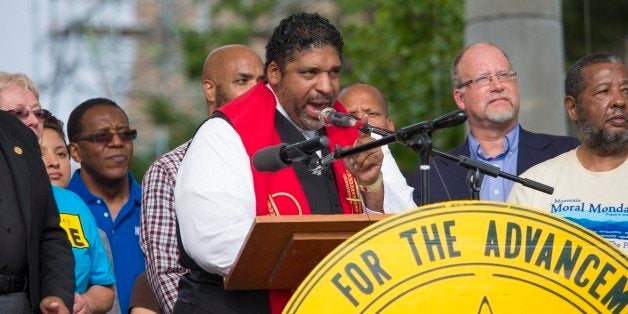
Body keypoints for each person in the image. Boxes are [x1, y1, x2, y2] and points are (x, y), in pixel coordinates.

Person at [174, 13, 408, 314]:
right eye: (310, 73)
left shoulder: (354, 133)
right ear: (274, 73)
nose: (326, 86)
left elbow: (404, 229)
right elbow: (212, 242)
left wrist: (372, 190)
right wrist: (333, 258)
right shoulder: (224, 133)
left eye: (334, 73)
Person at [140, 44, 264, 313]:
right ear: (209, 89)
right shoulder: (168, 168)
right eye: (242, 81)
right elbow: (167, 270)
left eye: (262, 82)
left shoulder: (278, 155)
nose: (256, 91)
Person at [412, 42, 580, 204]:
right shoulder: (433, 174)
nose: (498, 86)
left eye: (504, 75)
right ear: (460, 98)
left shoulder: (567, 153)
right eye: (483, 79)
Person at [508, 53, 627, 253]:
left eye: (626, 91)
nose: (619, 101)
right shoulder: (533, 186)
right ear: (572, 108)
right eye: (603, 91)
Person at [0, 72, 74, 313]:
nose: (33, 121)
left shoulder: (33, 165)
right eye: (18, 114)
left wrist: (57, 296)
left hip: (19, 301)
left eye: (38, 113)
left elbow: (50, 236)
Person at [66, 98, 144, 313]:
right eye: (102, 136)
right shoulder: (60, 210)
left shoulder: (156, 207)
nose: (117, 142)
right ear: (75, 152)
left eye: (125, 134)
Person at [41, 115, 117, 313]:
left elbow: (104, 286)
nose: (54, 162)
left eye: (60, 153)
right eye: (39, 153)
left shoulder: (77, 205)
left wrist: (87, 302)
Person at [337, 82, 416, 211]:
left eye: (372, 114)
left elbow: (407, 222)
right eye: (350, 117)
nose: (362, 122)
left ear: (390, 126)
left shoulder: (415, 180)